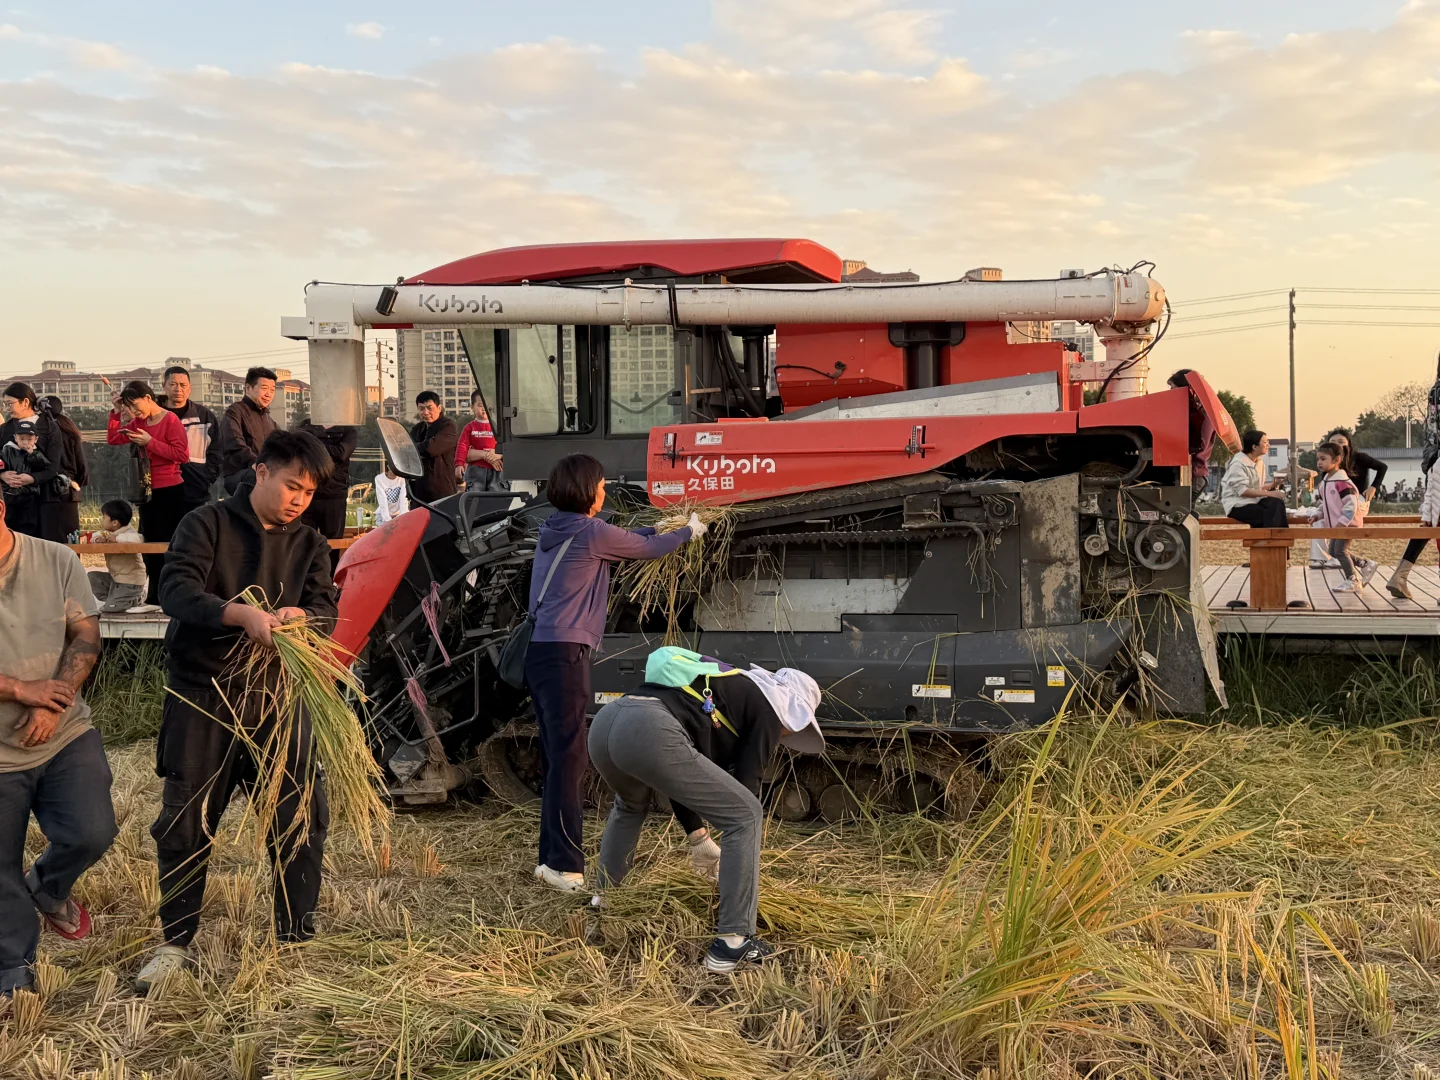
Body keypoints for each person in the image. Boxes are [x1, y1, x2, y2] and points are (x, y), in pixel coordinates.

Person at [135, 430, 337, 993]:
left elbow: (328, 611)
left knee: (300, 815)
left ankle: (296, 935)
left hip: (279, 695)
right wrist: (238, 615)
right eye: (291, 485)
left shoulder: (311, 544)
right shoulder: (204, 525)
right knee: (186, 820)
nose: (298, 499)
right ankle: (175, 942)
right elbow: (175, 591)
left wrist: (307, 621)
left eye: (308, 491)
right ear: (262, 473)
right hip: (205, 693)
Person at [525, 453, 705, 893]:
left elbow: (625, 539)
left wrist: (657, 529)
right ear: (587, 490)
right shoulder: (590, 532)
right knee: (571, 761)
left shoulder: (557, 529)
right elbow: (644, 549)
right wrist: (687, 532)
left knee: (557, 759)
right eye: (601, 485)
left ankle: (550, 859)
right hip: (567, 654)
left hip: (541, 652)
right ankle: (567, 866)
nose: (605, 491)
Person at [588, 651, 824, 972]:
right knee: (746, 815)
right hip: (650, 727)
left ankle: (604, 900)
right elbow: (744, 795)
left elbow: (682, 775)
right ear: (792, 711)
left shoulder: (731, 689)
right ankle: (732, 943)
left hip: (608, 722)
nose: (788, 737)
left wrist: (698, 836)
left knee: (629, 805)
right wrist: (743, 854)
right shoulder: (769, 709)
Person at [0, 494, 114, 997]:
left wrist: (53, 704)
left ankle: (46, 886)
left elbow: (85, 633)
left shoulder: (55, 558)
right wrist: (22, 690)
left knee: (92, 830)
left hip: (63, 730)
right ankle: (12, 968)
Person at [106, 381, 190, 608]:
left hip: (170, 489)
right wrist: (115, 413)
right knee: (149, 542)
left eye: (134, 406)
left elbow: (182, 454)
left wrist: (150, 442)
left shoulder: (170, 420)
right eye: (129, 409)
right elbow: (114, 439)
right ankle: (153, 595)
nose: (134, 413)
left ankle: (172, 592)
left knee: (168, 543)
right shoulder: (139, 422)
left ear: (148, 397)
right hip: (147, 489)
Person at [1388, 351, 1440, 601]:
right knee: (1433, 522)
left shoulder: (1435, 390)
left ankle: (1400, 574)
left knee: (1431, 521)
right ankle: (1400, 575)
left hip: (1435, 463)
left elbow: (1431, 432)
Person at [1311, 428, 1387, 569]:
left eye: (1341, 442)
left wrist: (1373, 487)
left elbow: (1382, 467)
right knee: (1319, 521)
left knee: (1339, 548)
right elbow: (1327, 499)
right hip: (1340, 505)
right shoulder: (1328, 470)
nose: (1338, 445)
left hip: (1358, 501)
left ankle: (1347, 569)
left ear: (1348, 444)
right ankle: (1321, 557)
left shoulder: (1359, 458)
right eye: (1333, 442)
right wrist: (1318, 513)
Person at [1313, 441, 1376, 593]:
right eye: (1318, 459)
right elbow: (1325, 504)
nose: (1319, 463)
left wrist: (1343, 522)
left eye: (1323, 459)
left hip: (1347, 524)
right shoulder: (1325, 482)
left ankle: (1353, 579)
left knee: (1340, 551)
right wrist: (1318, 514)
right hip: (1337, 525)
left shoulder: (1342, 482)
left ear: (1336, 460)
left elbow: (1351, 504)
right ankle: (1365, 563)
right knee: (1334, 552)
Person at [295, 419, 358, 570]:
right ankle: (305, 582)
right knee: (304, 542)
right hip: (309, 493)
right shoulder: (305, 425)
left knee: (334, 544)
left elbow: (342, 453)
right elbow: (299, 448)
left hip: (335, 495)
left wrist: (313, 445)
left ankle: (331, 584)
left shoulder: (348, 430)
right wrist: (330, 448)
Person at [1, 384, 59, 538]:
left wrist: (33, 479)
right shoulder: (5, 429)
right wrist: (3, 475)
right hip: (11, 501)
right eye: (4, 404)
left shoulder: (48, 428)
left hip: (41, 500)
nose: (6, 408)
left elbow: (53, 466)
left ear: (25, 402)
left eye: (9, 404)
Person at [162, 367, 221, 516]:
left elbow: (217, 451)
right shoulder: (155, 415)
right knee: (158, 538)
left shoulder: (204, 416)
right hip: (160, 489)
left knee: (194, 535)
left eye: (183, 385)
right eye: (173, 384)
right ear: (164, 386)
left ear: (190, 388)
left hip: (195, 490)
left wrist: (206, 477)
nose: (178, 389)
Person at [220, 367, 278, 495]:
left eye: (272, 390)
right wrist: (256, 463)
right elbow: (234, 443)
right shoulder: (235, 411)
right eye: (264, 388)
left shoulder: (270, 421)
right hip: (239, 474)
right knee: (255, 477)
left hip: (263, 471)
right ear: (248, 388)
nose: (268, 394)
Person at [84, 500, 147, 613]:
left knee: (108, 609)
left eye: (104, 517)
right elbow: (95, 536)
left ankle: (134, 598)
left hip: (131, 582)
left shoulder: (128, 532)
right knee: (92, 577)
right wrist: (97, 539)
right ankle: (118, 599)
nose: (101, 520)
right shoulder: (108, 532)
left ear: (114, 523)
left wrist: (116, 539)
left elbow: (139, 539)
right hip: (116, 579)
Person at [39, 398, 86, 545]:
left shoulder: (40, 431)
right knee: (71, 539)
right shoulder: (70, 430)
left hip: (46, 492)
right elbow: (82, 467)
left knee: (49, 542)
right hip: (70, 493)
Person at [1219, 430, 1288, 528]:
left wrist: (1273, 485)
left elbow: (1257, 487)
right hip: (1238, 505)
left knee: (1277, 502)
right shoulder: (1238, 464)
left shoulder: (1259, 462)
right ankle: (1273, 539)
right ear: (1254, 447)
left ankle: (1280, 539)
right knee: (1268, 514)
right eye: (1265, 442)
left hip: (1254, 501)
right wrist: (1270, 493)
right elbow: (1242, 491)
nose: (1268, 445)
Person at [1166, 370, 1214, 506]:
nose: (1170, 393)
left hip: (1193, 474)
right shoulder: (1192, 412)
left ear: (1188, 389)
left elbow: (1201, 446)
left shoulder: (1205, 414)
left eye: (1173, 389)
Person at [408, 391, 459, 503]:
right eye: (421, 408)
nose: (425, 412)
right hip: (418, 493)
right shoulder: (417, 429)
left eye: (429, 408)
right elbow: (406, 452)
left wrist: (413, 448)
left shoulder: (448, 426)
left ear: (439, 408)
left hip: (442, 491)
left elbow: (431, 449)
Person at [455, 391, 507, 492]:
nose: (485, 408)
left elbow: (506, 444)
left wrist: (498, 454)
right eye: (480, 405)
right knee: (474, 498)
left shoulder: (499, 427)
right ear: (472, 407)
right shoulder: (469, 427)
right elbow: (462, 445)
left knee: (499, 499)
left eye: (489, 405)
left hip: (497, 469)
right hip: (476, 471)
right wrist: (459, 464)